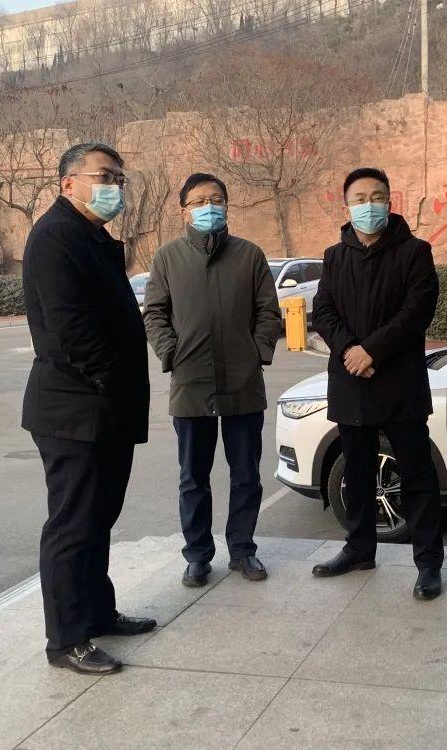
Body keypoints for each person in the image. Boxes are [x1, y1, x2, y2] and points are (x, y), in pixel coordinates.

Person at [22, 143, 156, 676]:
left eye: (119, 179)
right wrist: (111, 381)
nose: (114, 187)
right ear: (68, 183)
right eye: (104, 177)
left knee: (99, 519)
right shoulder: (56, 236)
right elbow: (71, 330)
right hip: (74, 410)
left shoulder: (91, 236)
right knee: (73, 526)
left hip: (105, 409)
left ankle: (98, 613)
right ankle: (67, 639)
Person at [310, 167, 444, 600]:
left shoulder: (415, 251)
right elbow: (323, 310)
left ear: (389, 200)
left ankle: (428, 563)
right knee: (357, 472)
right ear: (346, 205)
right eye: (360, 198)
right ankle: (359, 549)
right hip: (351, 382)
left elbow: (417, 310)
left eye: (377, 196)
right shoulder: (335, 256)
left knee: (417, 475)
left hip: (400, 383)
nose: (369, 205)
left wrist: (372, 351)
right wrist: (350, 349)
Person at [144, 173, 281, 587]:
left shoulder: (249, 255)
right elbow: (154, 314)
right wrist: (172, 353)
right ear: (183, 211)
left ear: (226, 205)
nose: (209, 207)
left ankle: (243, 550)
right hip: (191, 384)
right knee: (193, 477)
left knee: (246, 474)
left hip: (243, 382)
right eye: (199, 201)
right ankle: (198, 555)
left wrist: (256, 353)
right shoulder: (167, 257)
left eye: (216, 199)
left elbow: (268, 311)